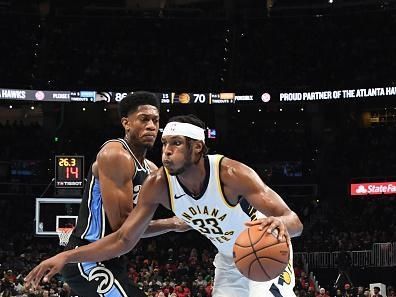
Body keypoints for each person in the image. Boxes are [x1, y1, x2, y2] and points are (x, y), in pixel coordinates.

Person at [26, 114, 303, 297]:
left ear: (197, 149)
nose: (167, 150)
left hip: (266, 248)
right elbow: (123, 238)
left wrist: (280, 224)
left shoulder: (231, 174)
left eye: (177, 144)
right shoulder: (159, 185)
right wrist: (67, 256)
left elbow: (294, 222)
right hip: (229, 261)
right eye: (165, 143)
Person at [55, 92, 190, 297]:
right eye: (144, 119)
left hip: (113, 258)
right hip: (86, 258)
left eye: (155, 120)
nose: (152, 126)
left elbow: (185, 204)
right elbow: (124, 228)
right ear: (126, 123)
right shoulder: (115, 154)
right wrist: (172, 224)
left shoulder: (151, 169)